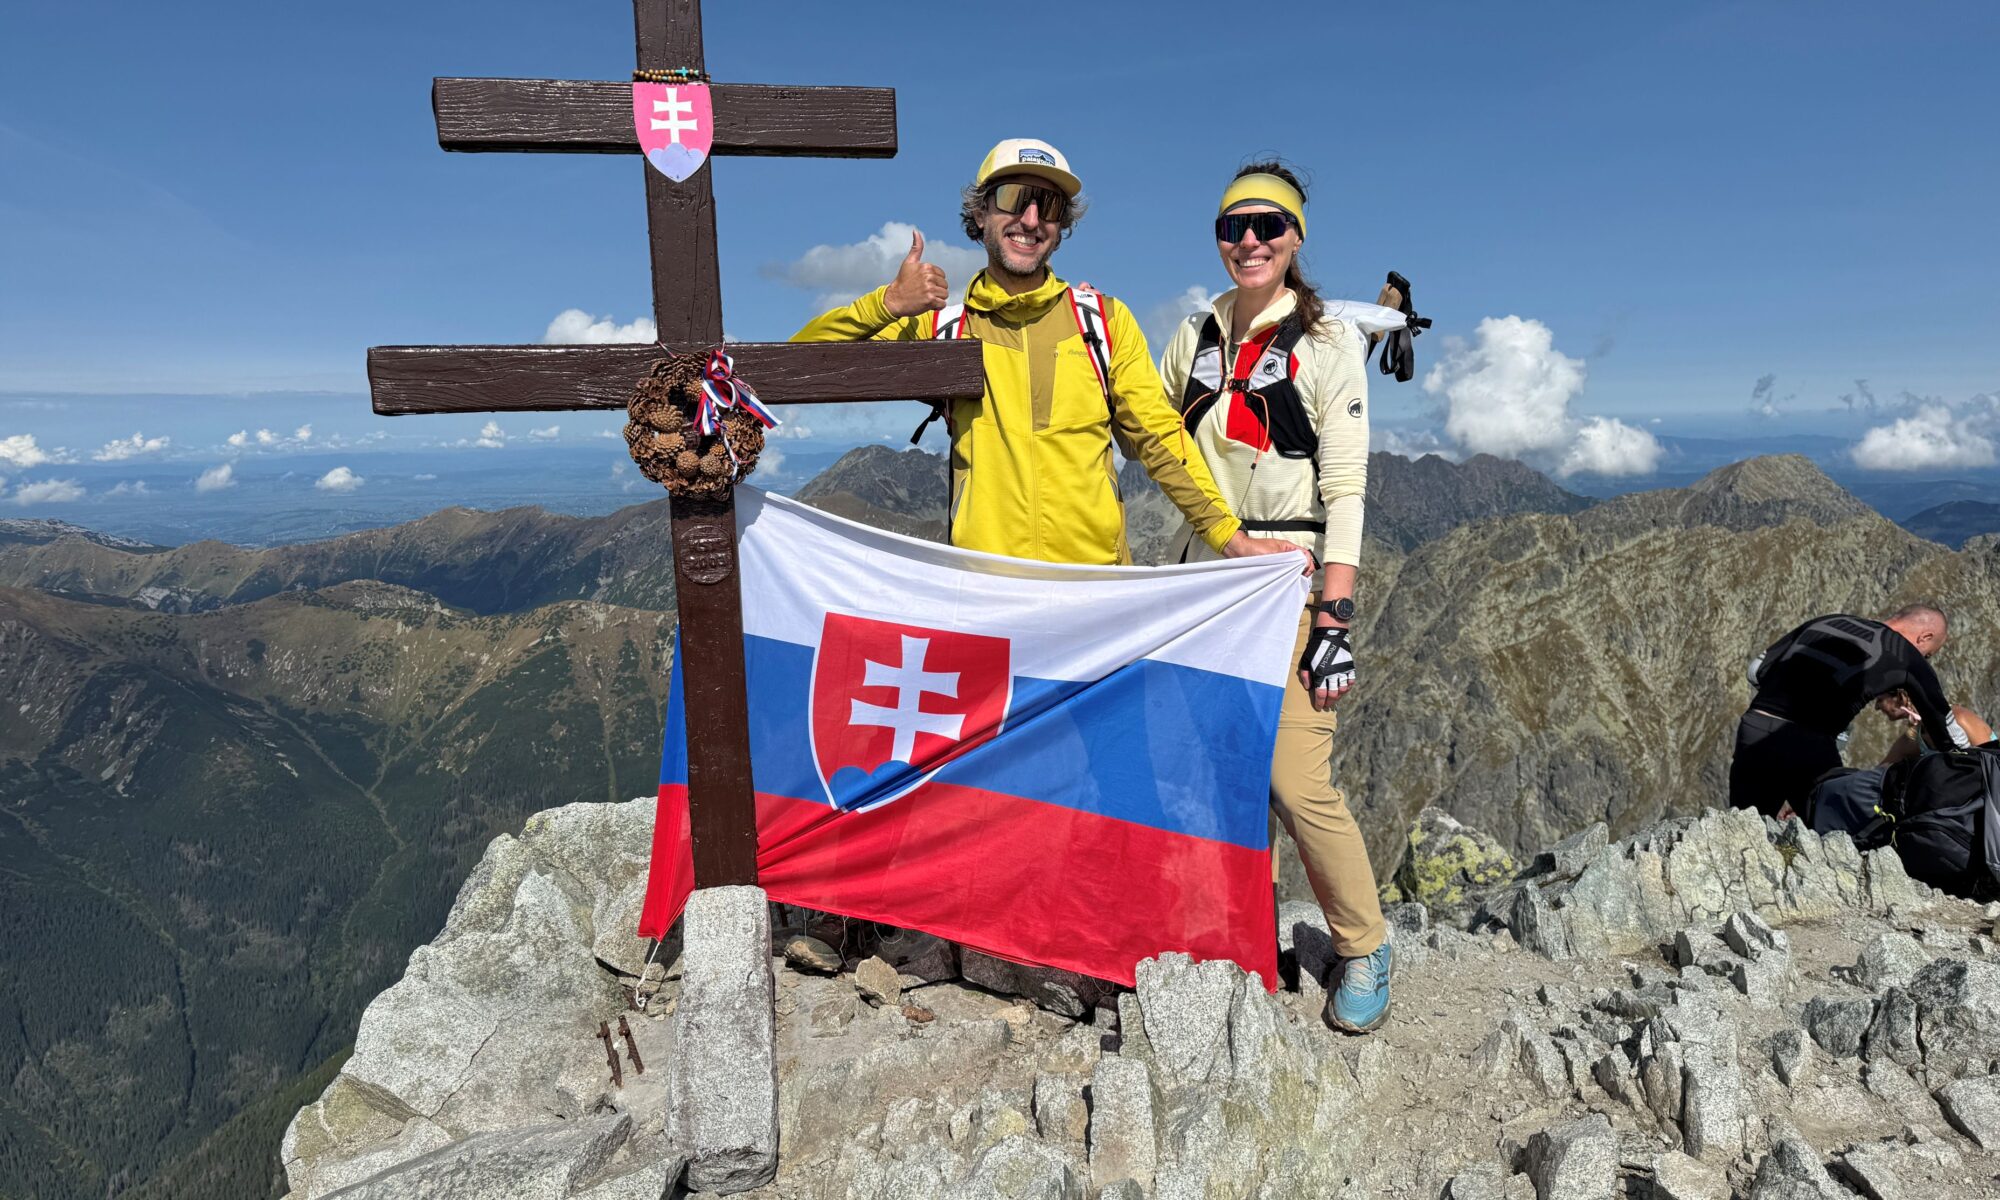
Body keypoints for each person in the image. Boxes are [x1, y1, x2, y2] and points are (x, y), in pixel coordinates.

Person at [791, 138, 1298, 567]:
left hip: (1097, 594)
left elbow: (1160, 438)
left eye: (1049, 206)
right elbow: (794, 369)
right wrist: (887, 304)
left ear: (1062, 225)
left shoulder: (1104, 322)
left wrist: (1229, 538)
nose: (1031, 219)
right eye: (1014, 198)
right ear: (980, 212)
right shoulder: (943, 327)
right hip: (989, 593)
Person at [1156, 161, 1390, 1034]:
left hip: (1289, 580)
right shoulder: (1193, 335)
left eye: (1268, 225)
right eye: (1234, 227)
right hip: (1204, 582)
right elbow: (1155, 443)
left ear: (1295, 237)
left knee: (1295, 778)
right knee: (1216, 774)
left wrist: (1335, 617)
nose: (1249, 241)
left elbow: (1347, 490)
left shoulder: (1328, 344)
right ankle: (1243, 933)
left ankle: (1364, 943)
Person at [1730, 604, 1972, 818]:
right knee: (1837, 828)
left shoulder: (1828, 621)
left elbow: (1756, 670)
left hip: (1755, 728)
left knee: (1745, 826)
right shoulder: (1905, 653)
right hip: (1810, 742)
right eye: (1928, 654)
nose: (1925, 659)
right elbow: (1944, 725)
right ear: (1925, 637)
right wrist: (1971, 759)